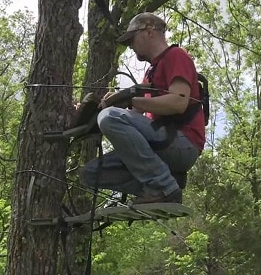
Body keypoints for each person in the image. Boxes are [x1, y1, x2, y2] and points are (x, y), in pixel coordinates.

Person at [81, 12, 205, 204]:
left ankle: (165, 187)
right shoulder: (151, 72)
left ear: (148, 30)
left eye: (132, 39)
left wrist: (130, 101)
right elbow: (133, 116)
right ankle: (164, 184)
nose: (130, 45)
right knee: (91, 173)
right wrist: (115, 102)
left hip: (183, 143)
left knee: (110, 117)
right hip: (159, 144)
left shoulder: (176, 56)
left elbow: (178, 102)